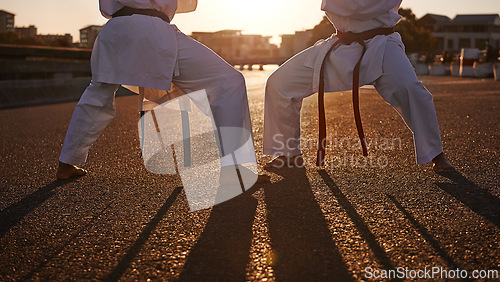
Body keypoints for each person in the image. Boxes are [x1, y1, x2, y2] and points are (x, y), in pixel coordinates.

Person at [57, 0, 270, 183]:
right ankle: (236, 168)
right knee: (229, 81)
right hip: (150, 29)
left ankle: (67, 162)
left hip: (116, 30)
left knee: (98, 95)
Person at [262, 0, 454, 173]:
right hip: (340, 45)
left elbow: (358, 7)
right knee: (279, 83)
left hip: (382, 44)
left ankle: (436, 153)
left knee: (412, 90)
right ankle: (288, 153)